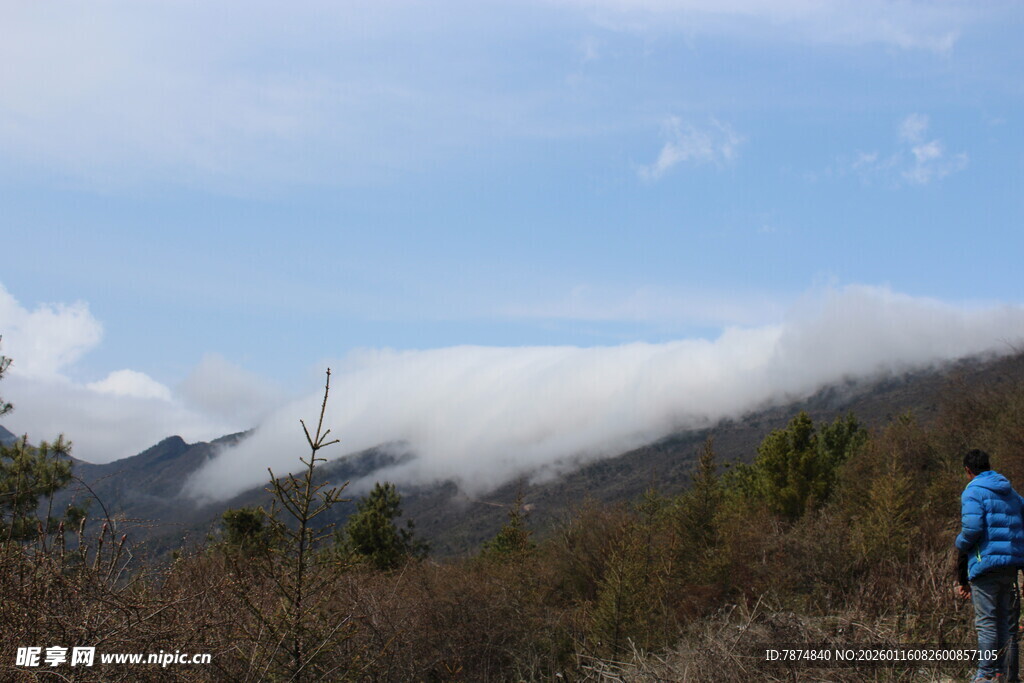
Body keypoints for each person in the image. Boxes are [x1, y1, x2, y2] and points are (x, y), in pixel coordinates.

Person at [955, 449, 1024, 682]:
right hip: (1010, 566)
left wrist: (960, 542)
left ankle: (985, 675)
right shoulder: (1011, 492)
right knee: (1006, 625)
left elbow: (972, 528)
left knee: (986, 623)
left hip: (985, 566)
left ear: (968, 470)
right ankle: (1008, 676)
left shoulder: (973, 491)